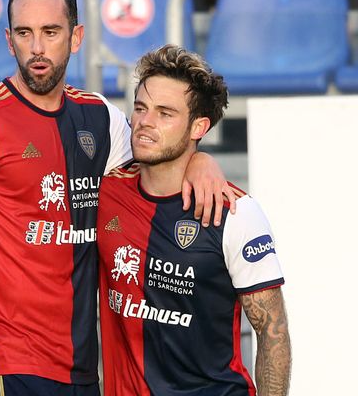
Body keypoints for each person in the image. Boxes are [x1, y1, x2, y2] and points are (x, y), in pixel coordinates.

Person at [0, 0, 235, 396]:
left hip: (82, 368)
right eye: (25, 34)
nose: (38, 48)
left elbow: (159, 163)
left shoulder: (99, 117)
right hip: (7, 364)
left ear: (76, 36)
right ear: (9, 41)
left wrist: (201, 159)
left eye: (51, 32)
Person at [97, 44, 291, 395]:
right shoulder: (106, 190)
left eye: (165, 114)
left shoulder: (234, 212)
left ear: (198, 126)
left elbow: (272, 331)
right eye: (140, 108)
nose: (144, 122)